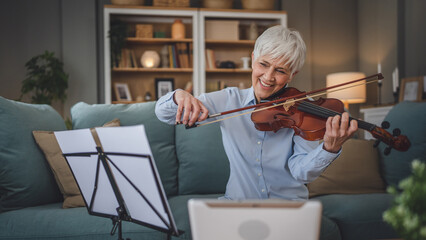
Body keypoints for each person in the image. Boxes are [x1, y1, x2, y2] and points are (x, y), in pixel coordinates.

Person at [155, 25, 357, 239]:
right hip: (237, 207)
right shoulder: (229, 100)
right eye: (264, 64)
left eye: (280, 71)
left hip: (288, 212)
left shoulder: (301, 112)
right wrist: (179, 95)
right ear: (253, 59)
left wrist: (329, 148)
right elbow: (163, 113)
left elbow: (300, 172)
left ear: (292, 74)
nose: (268, 77)